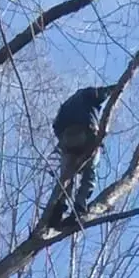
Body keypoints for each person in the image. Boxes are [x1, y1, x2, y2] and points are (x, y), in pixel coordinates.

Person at [42, 84, 111, 229]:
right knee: (90, 174)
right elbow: (103, 93)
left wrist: (64, 141)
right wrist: (116, 88)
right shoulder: (89, 94)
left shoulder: (66, 105)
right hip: (87, 135)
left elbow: (56, 126)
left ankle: (57, 211)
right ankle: (79, 208)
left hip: (67, 141)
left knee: (66, 178)